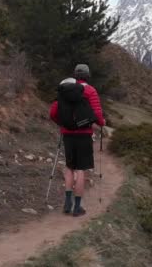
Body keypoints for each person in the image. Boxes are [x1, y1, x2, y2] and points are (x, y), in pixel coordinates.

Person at [49, 64, 105, 216]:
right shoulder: (91, 91)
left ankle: (67, 202)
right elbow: (97, 113)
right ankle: (77, 207)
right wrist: (102, 123)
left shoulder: (65, 88)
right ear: (88, 76)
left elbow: (53, 112)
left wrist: (62, 124)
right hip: (84, 134)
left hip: (67, 134)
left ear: (75, 75)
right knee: (81, 169)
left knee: (69, 167)